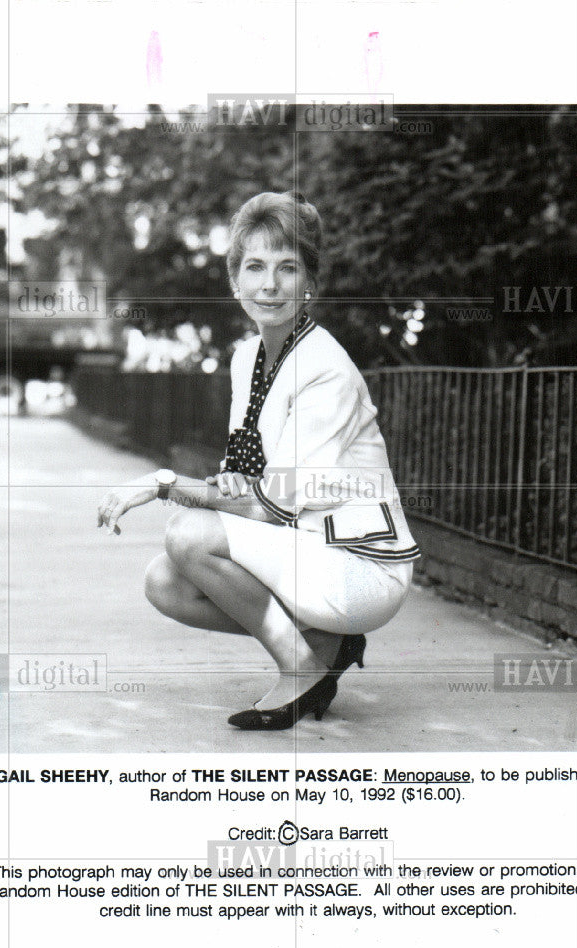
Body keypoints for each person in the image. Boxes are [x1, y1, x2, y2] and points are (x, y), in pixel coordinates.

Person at [97, 191, 420, 730]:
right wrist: (190, 489)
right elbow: (241, 482)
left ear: (309, 283)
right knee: (166, 582)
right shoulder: (249, 357)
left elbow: (269, 505)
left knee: (189, 536)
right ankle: (322, 644)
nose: (270, 285)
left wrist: (160, 485)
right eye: (255, 267)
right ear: (235, 282)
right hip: (303, 548)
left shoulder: (324, 369)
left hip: (358, 565)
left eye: (288, 268)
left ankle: (302, 670)